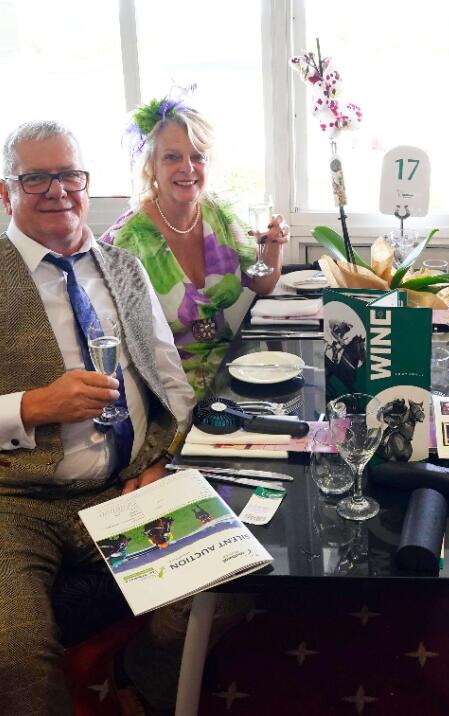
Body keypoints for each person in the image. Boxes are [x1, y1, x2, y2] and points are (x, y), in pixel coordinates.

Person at [0, 120, 196, 713]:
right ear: (7, 192)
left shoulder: (124, 268)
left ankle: (148, 667)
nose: (56, 190)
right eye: (35, 178)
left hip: (124, 487)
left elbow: (171, 383)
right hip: (15, 503)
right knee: (14, 653)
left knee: (225, 577)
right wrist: (34, 406)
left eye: (69, 175)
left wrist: (163, 462)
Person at [102, 90, 290, 397]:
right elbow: (114, 338)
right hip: (170, 386)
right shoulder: (126, 241)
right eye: (172, 157)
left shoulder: (218, 214)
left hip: (237, 367)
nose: (188, 168)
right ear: (151, 166)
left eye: (197, 157)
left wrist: (274, 244)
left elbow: (263, 283)